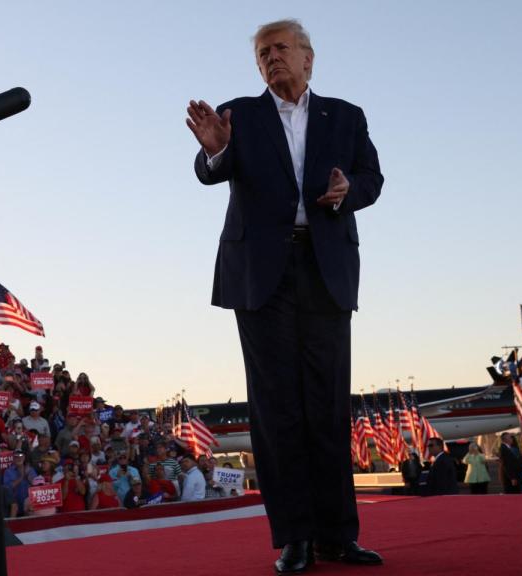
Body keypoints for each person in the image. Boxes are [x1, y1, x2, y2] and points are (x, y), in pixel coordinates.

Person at [186, 18, 383, 572]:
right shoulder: (239, 114)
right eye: (262, 54)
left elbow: (373, 178)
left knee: (327, 404)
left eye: (280, 49)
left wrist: (349, 193)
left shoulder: (345, 115)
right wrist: (217, 153)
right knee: (276, 409)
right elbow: (209, 170)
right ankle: (294, 537)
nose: (271, 59)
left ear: (308, 58)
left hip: (325, 268)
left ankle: (337, 536)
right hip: (260, 274)